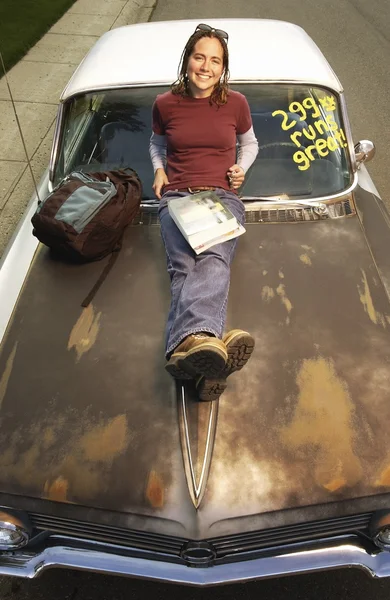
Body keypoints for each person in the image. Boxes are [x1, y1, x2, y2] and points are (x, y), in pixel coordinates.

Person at [149, 23, 259, 401]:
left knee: (211, 259)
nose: (206, 66)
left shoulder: (236, 103)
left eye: (215, 60)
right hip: (176, 198)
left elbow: (250, 142)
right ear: (187, 60)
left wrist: (242, 166)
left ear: (223, 67)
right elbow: (156, 143)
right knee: (183, 266)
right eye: (200, 57)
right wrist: (159, 169)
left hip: (220, 197)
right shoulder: (165, 103)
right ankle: (202, 351)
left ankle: (190, 347)